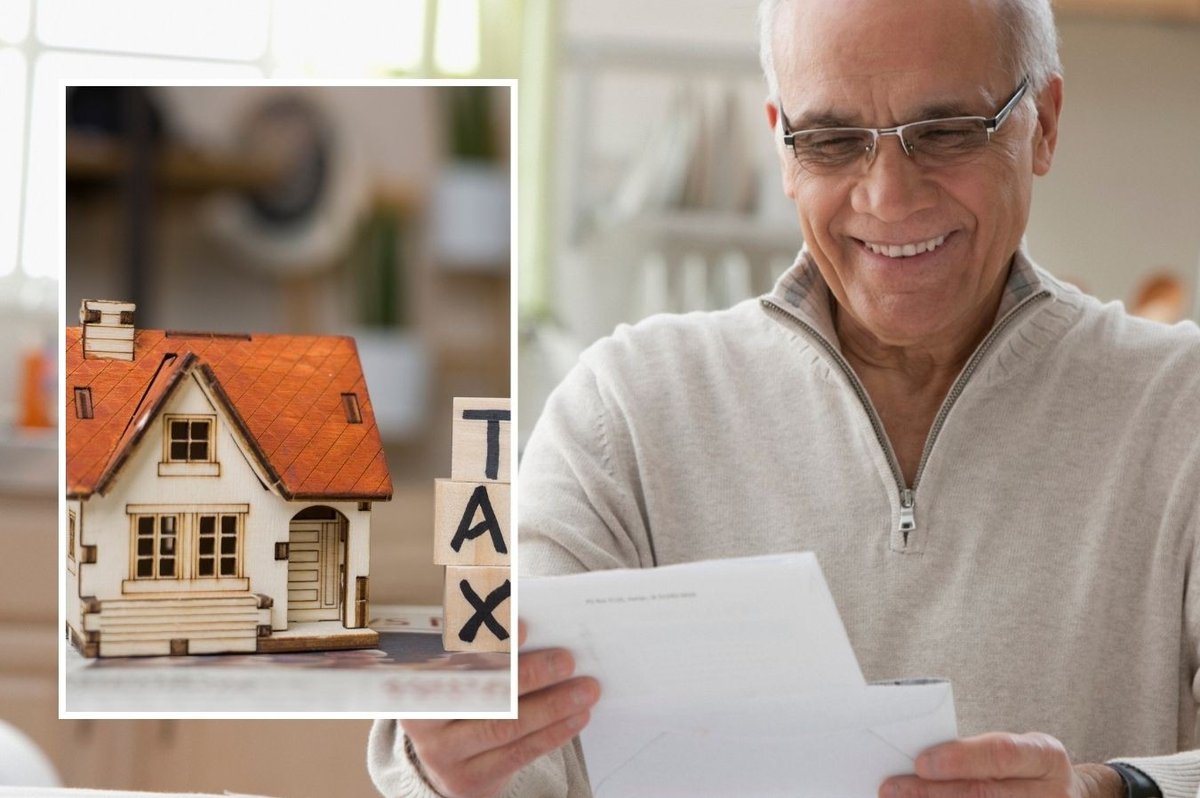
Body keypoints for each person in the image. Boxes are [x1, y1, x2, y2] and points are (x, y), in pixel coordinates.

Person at [369, 0, 1200, 796]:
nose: (888, 198)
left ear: (1043, 124)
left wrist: (1110, 790)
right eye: (834, 142)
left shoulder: (1180, 409)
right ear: (782, 146)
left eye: (945, 132)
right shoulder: (623, 410)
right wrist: (447, 758)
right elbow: (507, 757)